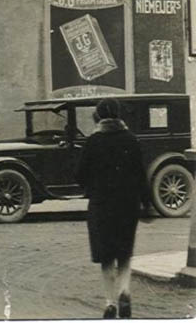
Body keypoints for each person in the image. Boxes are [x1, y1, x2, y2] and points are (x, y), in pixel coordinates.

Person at [75, 98, 151, 319]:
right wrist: (146, 203)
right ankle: (124, 292)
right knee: (124, 253)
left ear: (98, 116)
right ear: (119, 115)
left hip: (101, 205)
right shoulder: (131, 140)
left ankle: (110, 303)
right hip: (127, 205)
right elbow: (141, 174)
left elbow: (79, 175)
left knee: (106, 256)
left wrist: (92, 185)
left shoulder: (93, 141)